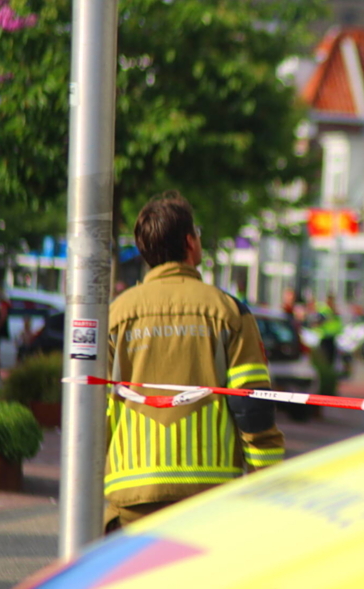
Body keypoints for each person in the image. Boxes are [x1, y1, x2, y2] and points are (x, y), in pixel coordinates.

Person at [105, 191, 285, 532]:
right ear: (190, 242)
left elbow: (95, 406)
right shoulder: (228, 311)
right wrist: (269, 478)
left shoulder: (116, 313)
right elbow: (253, 407)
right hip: (209, 495)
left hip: (131, 492)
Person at [316, 294, 343, 369]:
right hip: (325, 337)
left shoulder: (334, 311)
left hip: (333, 338)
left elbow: (338, 324)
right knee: (324, 360)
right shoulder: (324, 311)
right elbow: (318, 322)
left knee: (331, 360)